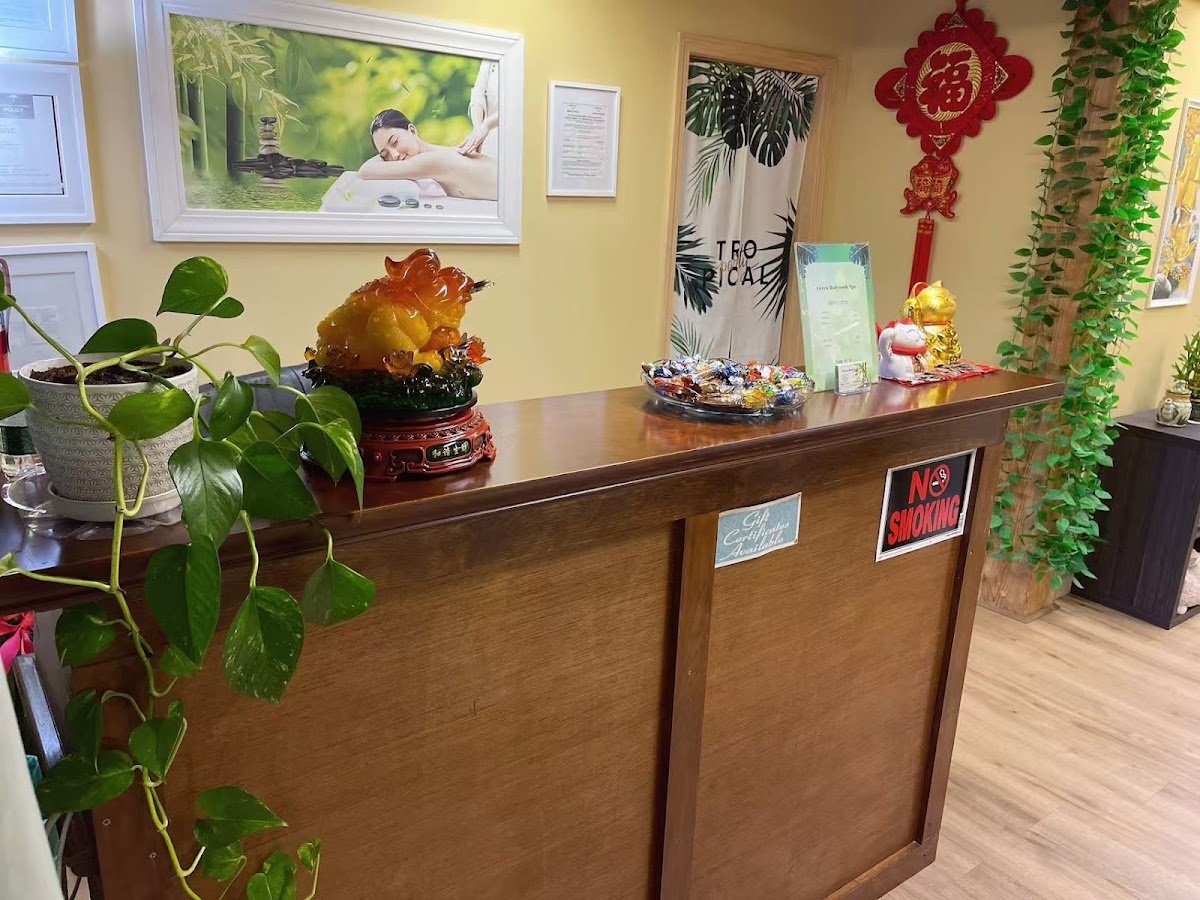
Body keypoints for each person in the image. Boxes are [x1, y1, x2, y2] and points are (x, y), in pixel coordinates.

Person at [360, 109, 497, 201]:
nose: (394, 155)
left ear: (412, 130)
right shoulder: (445, 153)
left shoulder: (432, 161)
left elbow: (365, 171)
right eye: (385, 155)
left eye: (395, 142)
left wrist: (383, 153)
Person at [458, 60, 499, 158]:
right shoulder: (489, 59)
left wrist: (487, 125)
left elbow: (515, 106)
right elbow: (478, 92)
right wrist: (477, 128)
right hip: (485, 138)